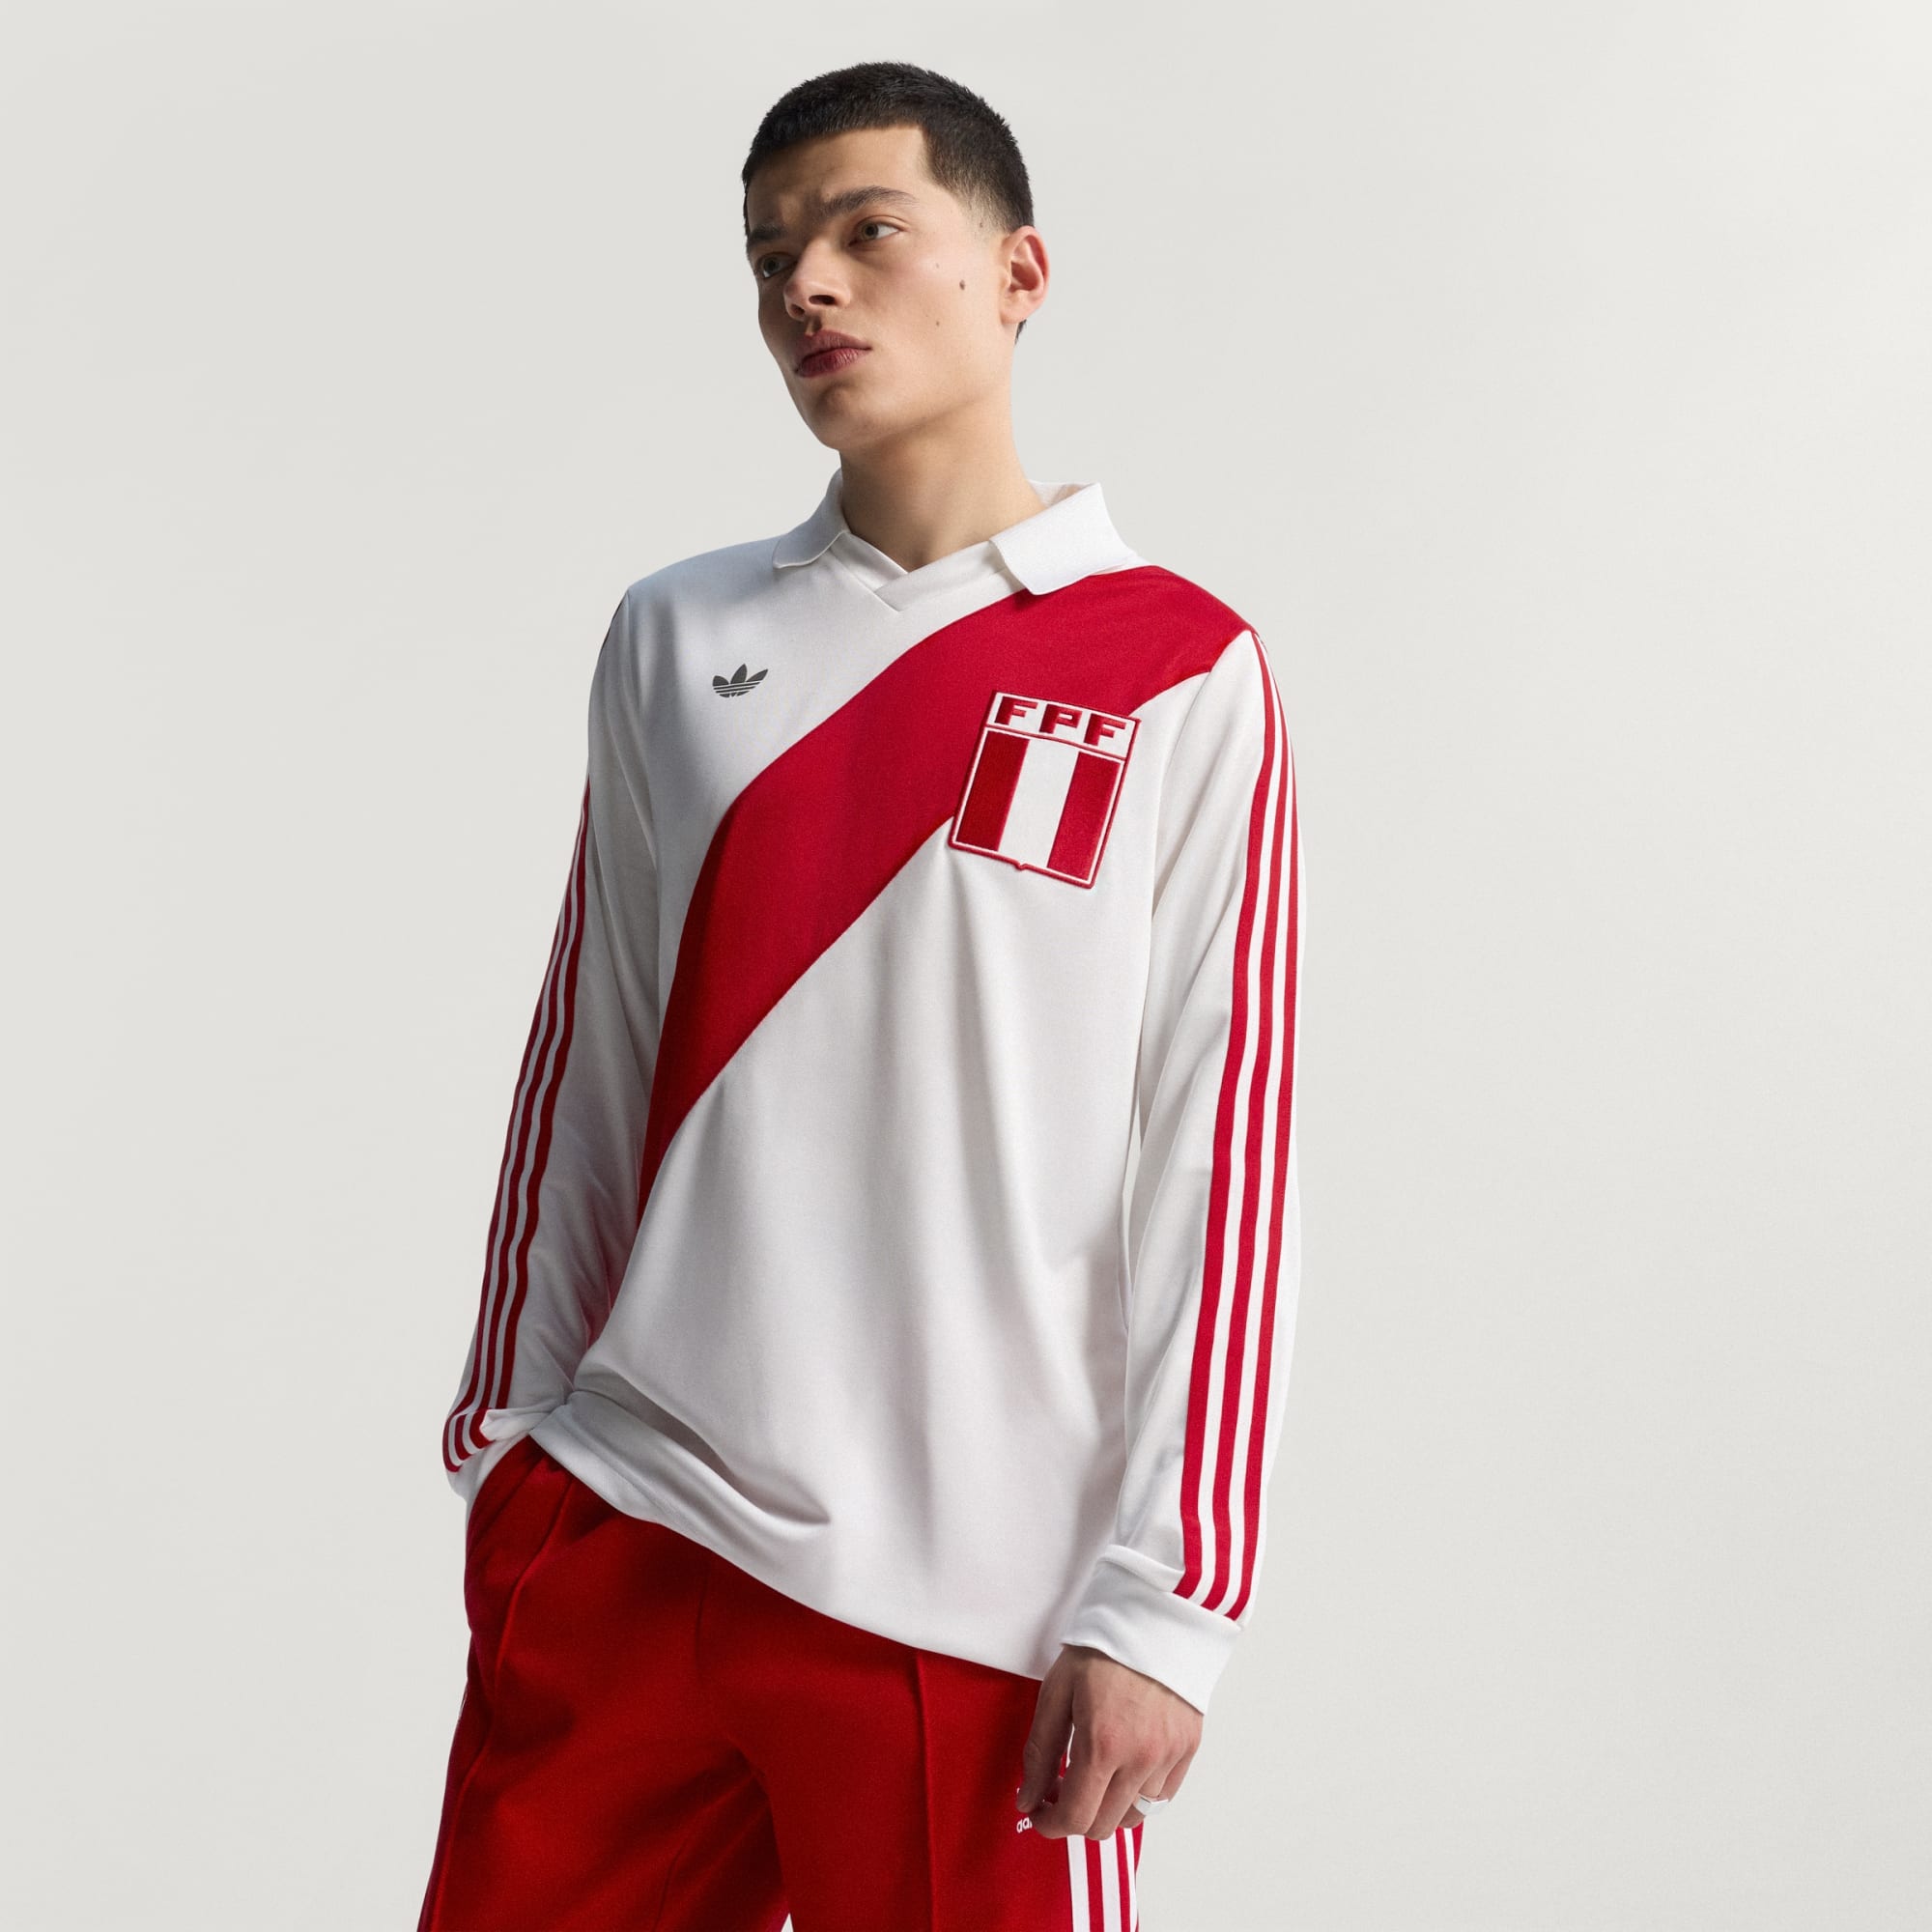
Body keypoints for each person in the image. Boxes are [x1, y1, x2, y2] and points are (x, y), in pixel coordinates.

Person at [416, 58, 1304, 1932]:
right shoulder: (679, 634)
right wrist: (509, 1451)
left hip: (969, 1604)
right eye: (769, 257)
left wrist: (1171, 1601)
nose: (807, 285)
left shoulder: (1177, 668)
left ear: (1019, 271)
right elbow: (592, 1056)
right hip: (627, 1530)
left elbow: (1219, 1156)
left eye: (865, 231)